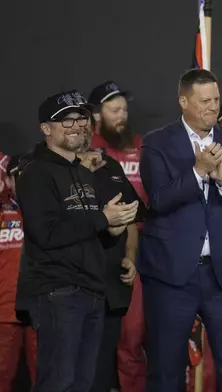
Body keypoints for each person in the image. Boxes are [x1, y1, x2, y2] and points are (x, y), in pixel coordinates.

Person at [138, 68, 222, 392]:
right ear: (183, 101)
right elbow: (159, 200)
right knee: (165, 374)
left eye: (216, 100)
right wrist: (197, 172)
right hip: (171, 276)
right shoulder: (156, 144)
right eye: (204, 101)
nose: (213, 107)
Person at [16, 90, 139, 392]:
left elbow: (86, 232)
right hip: (58, 291)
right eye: (66, 120)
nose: (76, 126)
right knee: (58, 383)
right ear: (46, 128)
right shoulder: (35, 172)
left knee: (83, 384)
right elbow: (45, 233)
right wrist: (103, 220)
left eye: (81, 118)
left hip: (92, 290)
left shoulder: (84, 173)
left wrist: (111, 234)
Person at [88, 80, 147, 392]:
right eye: (114, 109)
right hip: (101, 251)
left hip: (140, 243)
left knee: (134, 334)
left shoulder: (139, 144)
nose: (122, 115)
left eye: (124, 108)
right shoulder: (88, 150)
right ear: (96, 114)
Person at [0, 155, 36, 391]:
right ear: (9, 180)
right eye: (18, 177)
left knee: (49, 379)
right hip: (4, 312)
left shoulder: (49, 213)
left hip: (41, 312)